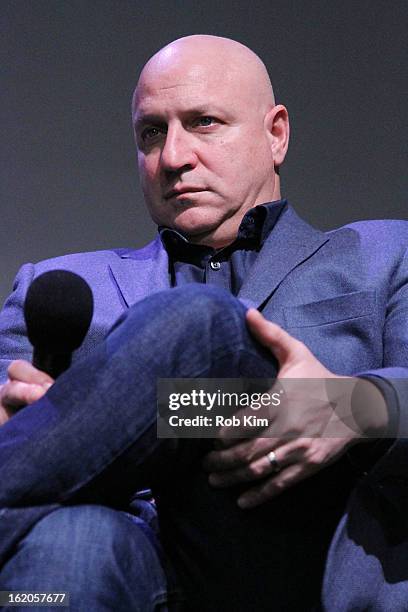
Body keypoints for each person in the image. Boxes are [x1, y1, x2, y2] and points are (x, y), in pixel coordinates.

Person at [0, 34, 407, 611]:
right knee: (70, 547)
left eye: (204, 122)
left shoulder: (388, 256)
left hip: (300, 554)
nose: (173, 157)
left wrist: (353, 404)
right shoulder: (59, 283)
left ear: (276, 133)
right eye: (152, 133)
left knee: (199, 323)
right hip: (129, 559)